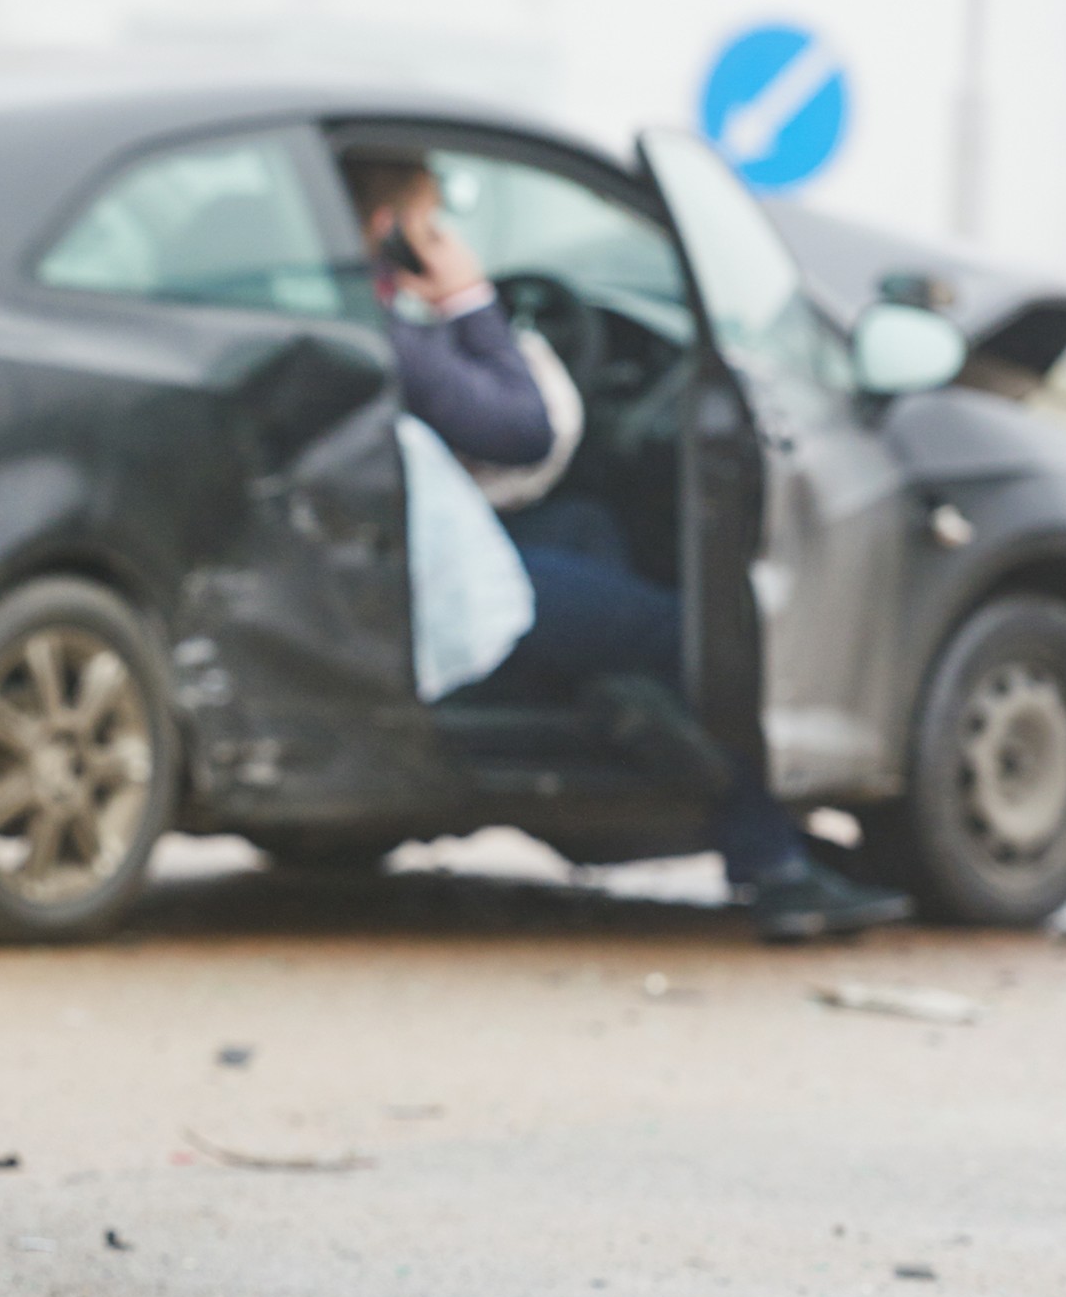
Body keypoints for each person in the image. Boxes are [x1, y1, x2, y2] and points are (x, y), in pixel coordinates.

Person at [340, 150, 913, 941]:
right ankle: (773, 862)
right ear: (389, 229)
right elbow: (520, 429)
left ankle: (612, 708)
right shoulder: (386, 332)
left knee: (590, 531)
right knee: (693, 637)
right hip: (431, 582)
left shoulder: (351, 317)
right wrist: (471, 299)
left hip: (408, 551)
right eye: (431, 225)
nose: (442, 239)